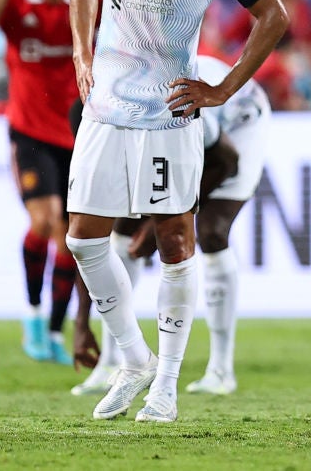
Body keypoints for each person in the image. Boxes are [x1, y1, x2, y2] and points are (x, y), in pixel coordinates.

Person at [66, 0, 289, 424]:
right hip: (107, 107)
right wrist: (84, 54)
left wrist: (222, 87)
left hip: (169, 112)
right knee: (83, 238)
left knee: (174, 243)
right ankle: (133, 360)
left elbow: (272, 14)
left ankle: (165, 382)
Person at [71, 54, 272, 397]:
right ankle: (111, 361)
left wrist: (153, 229)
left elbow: (226, 161)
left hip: (237, 128)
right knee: (117, 227)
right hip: (173, 130)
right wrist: (80, 321)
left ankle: (221, 371)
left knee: (210, 233)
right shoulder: (100, 115)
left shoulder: (169, 97)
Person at [0, 0, 80, 365]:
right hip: (30, 132)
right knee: (43, 221)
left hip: (77, 132)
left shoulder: (84, 0)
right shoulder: (18, 1)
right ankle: (32, 316)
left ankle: (54, 329)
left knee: (72, 240)